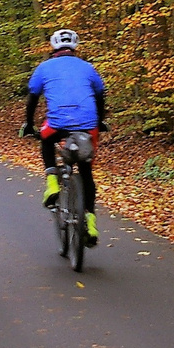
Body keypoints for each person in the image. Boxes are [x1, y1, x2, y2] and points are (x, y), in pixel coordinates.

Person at [20, 28, 107, 246]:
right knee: (86, 171)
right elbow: (100, 96)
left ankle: (52, 184)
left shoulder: (44, 67)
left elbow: (32, 99)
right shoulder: (88, 67)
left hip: (58, 123)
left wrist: (29, 125)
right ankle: (90, 220)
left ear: (53, 46)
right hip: (88, 125)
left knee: (46, 138)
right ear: (75, 46)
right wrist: (100, 120)